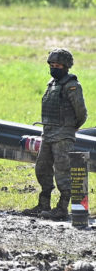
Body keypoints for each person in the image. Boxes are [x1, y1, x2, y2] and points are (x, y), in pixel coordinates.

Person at [22, 48, 87, 220]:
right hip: (49, 134)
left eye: (57, 65)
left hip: (62, 136)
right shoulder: (52, 84)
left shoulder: (72, 85)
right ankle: (43, 204)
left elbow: (81, 113)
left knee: (62, 173)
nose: (54, 67)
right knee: (42, 169)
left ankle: (62, 208)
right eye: (52, 64)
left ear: (66, 67)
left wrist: (70, 128)